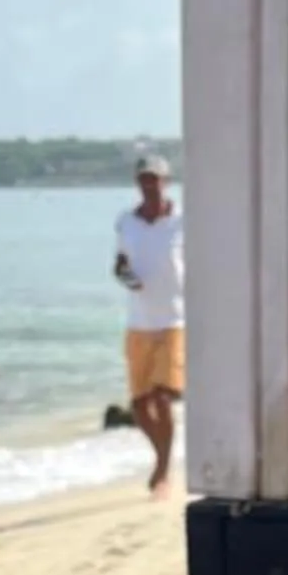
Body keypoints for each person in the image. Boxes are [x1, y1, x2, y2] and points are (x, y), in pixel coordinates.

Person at [113, 152, 184, 494]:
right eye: (144, 179)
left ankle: (163, 468)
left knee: (161, 397)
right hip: (138, 321)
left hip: (175, 319)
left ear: (166, 182)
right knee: (140, 406)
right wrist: (127, 277)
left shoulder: (183, 221)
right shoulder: (126, 222)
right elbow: (120, 264)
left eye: (155, 179)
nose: (149, 185)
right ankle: (160, 455)